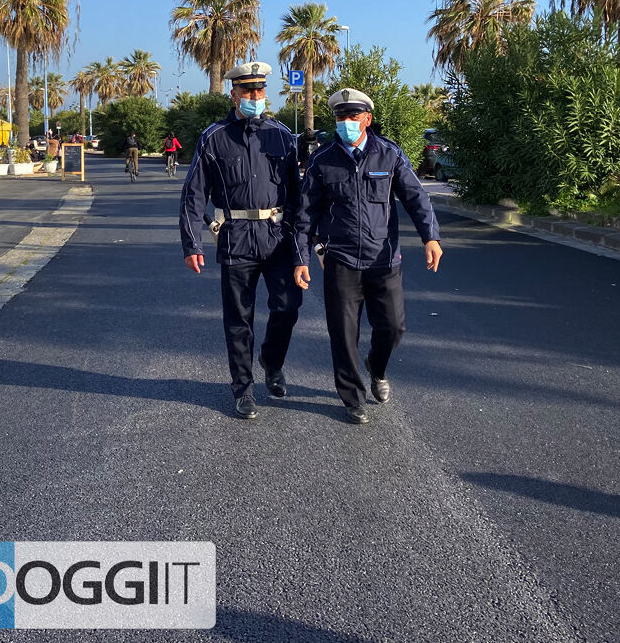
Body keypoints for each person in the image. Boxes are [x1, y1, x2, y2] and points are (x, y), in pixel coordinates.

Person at [293, 88, 443, 425]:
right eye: (340, 116)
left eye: (353, 116)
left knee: (393, 326)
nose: (345, 122)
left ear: (367, 119)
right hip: (341, 260)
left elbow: (416, 197)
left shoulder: (389, 154)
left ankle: (377, 366)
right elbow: (305, 214)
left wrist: (431, 237)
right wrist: (301, 258)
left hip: (384, 260)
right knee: (344, 333)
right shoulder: (322, 160)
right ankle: (352, 397)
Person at [179, 61, 302, 419]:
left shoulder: (282, 136)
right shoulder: (214, 137)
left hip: (277, 237)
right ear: (233, 94)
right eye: (247, 91)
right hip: (235, 238)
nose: (255, 96)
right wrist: (192, 243)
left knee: (288, 307)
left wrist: (300, 239)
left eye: (259, 90)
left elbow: (298, 193)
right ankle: (243, 388)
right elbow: (194, 194)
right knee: (238, 318)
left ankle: (272, 361)